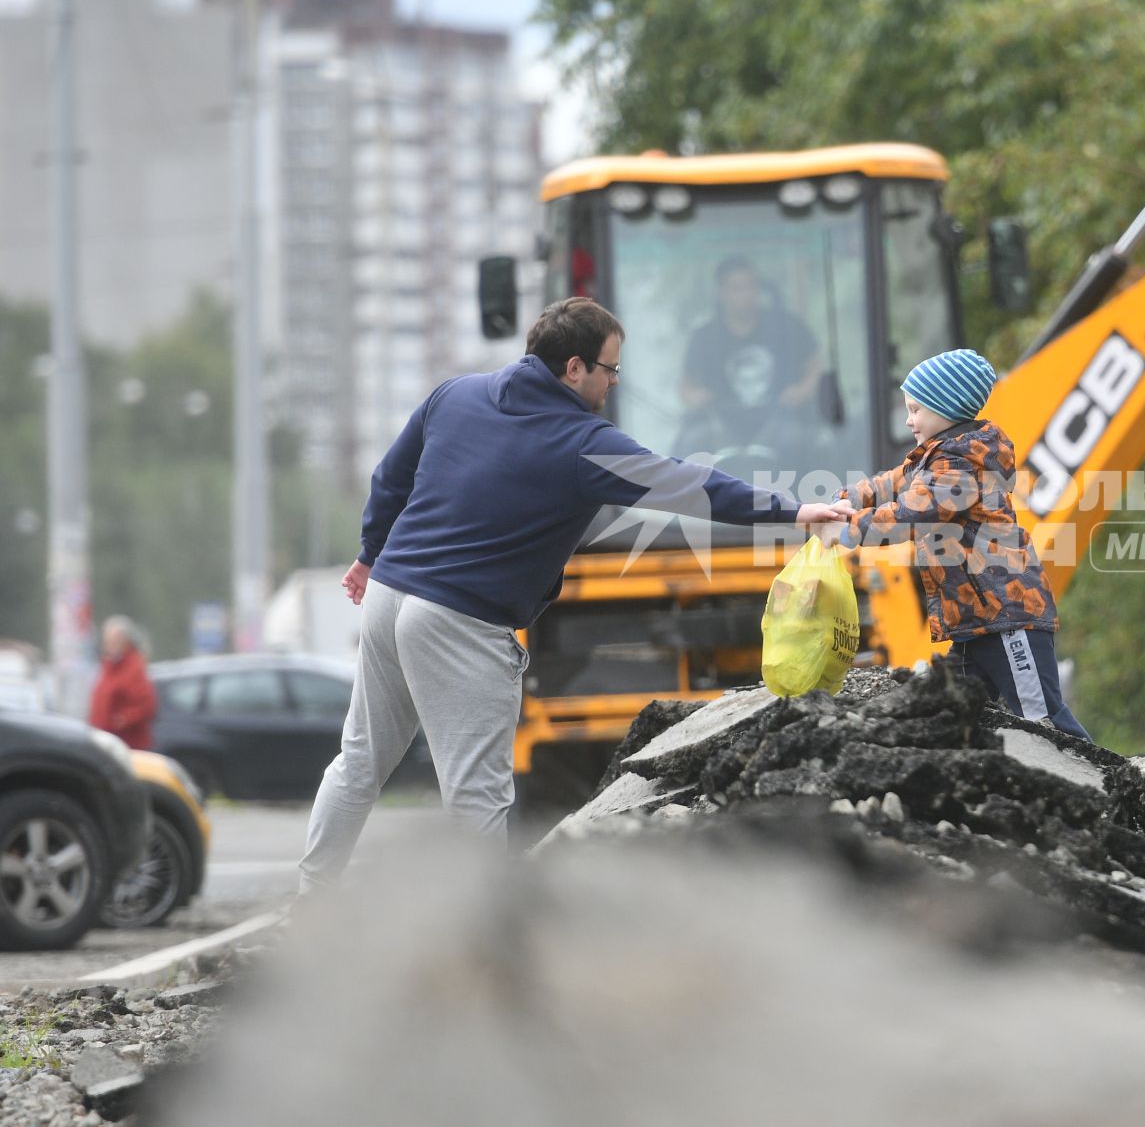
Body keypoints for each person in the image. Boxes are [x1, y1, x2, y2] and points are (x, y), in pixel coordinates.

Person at [300, 296, 853, 893]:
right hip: (460, 619)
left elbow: (390, 477)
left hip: (390, 592)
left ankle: (305, 908)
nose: (615, 383)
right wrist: (795, 511)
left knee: (358, 763)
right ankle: (479, 942)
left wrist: (366, 554)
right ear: (574, 368)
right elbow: (692, 486)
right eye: (611, 370)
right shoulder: (583, 442)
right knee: (476, 795)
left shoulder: (455, 394)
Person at [818, 348, 1091, 741]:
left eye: (916, 410)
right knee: (952, 713)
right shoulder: (934, 457)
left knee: (1044, 720)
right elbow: (893, 482)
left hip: (1007, 619)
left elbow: (914, 516)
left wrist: (848, 530)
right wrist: (849, 498)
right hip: (974, 626)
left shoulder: (962, 465)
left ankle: (1106, 791)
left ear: (947, 408)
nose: (909, 420)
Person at [678, 256, 823, 449]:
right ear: (721, 293)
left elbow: (816, 367)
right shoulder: (704, 337)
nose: (747, 295)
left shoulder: (787, 326)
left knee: (805, 443)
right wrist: (695, 396)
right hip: (720, 428)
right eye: (737, 288)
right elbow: (687, 386)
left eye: (752, 286)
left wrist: (803, 391)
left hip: (784, 422)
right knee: (690, 444)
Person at [89, 615, 157, 752]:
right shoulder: (108, 666)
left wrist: (122, 720)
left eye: (113, 641)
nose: (108, 646)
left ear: (125, 641)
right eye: (107, 641)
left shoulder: (134, 666)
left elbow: (146, 706)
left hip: (128, 745)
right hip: (105, 742)